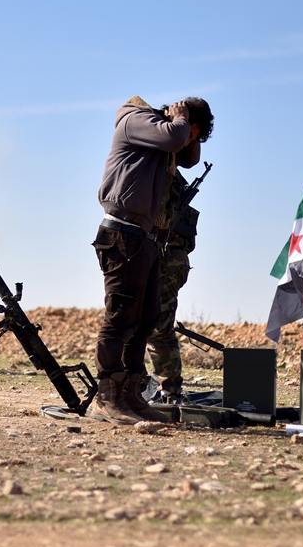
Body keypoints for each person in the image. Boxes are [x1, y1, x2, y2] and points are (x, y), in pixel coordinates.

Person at [91, 96, 213, 424]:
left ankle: (130, 395)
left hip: (146, 239)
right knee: (120, 318)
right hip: (122, 232)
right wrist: (182, 119)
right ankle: (107, 397)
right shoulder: (134, 121)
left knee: (145, 321)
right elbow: (176, 138)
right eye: (189, 131)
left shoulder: (164, 139)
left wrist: (188, 129)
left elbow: (186, 157)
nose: (188, 140)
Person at [147, 168, 201, 404]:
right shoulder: (165, 177)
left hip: (168, 259)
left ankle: (169, 390)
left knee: (159, 325)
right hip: (165, 258)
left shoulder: (167, 179)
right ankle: (145, 385)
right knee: (148, 324)